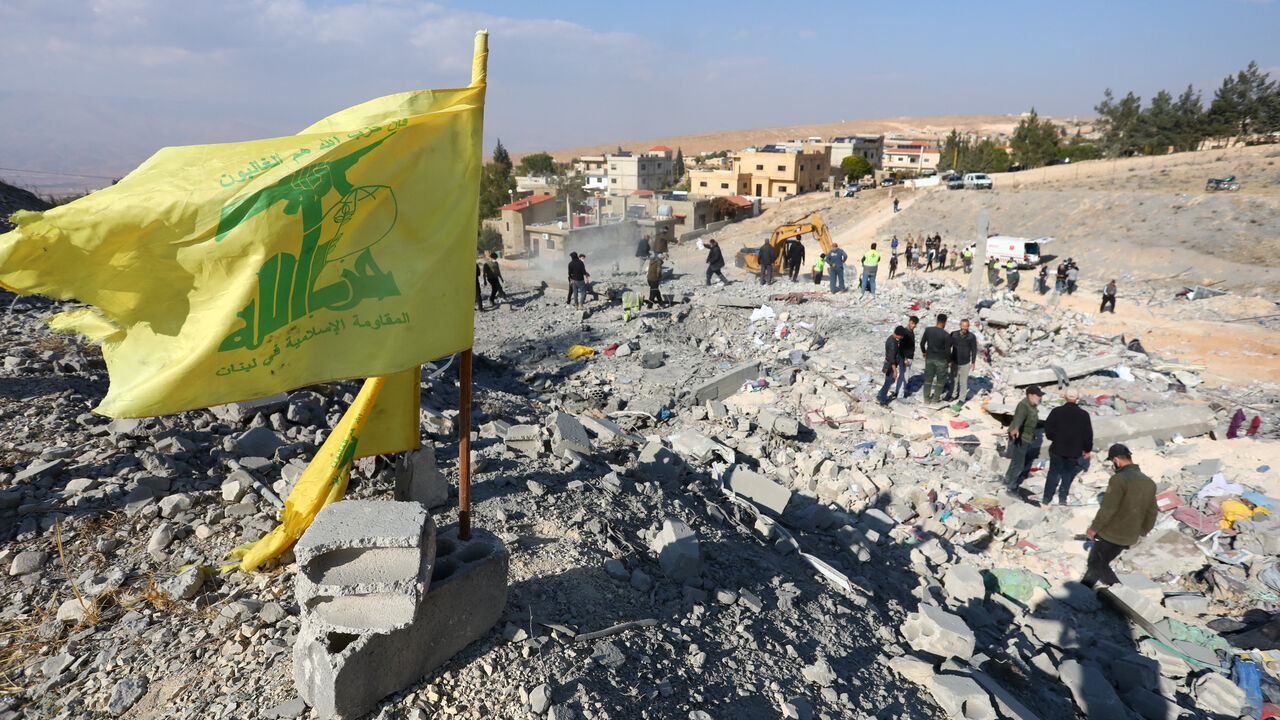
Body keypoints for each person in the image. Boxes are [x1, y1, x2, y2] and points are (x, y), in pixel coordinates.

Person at [1081, 444, 1157, 589]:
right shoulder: (1149, 482)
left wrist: (1094, 528)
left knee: (1097, 564)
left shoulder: (1119, 479)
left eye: (1112, 462)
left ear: (1116, 460)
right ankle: (1085, 589)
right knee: (1100, 564)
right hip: (1130, 534)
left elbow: (1108, 508)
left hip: (1111, 532)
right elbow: (1152, 511)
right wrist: (1143, 531)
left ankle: (1118, 592)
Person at [1042, 388, 1093, 506]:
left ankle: (1046, 498)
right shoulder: (1083, 415)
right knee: (1067, 473)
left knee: (1053, 472)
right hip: (1074, 450)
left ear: (1065, 397)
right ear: (1077, 398)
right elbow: (1088, 434)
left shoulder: (1056, 411)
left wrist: (1054, 438)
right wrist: (1087, 449)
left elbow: (1048, 428)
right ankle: (1062, 499)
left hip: (1057, 448)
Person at [1003, 385, 1044, 491]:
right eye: (1038, 395)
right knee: (1019, 465)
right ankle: (1011, 487)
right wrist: (1016, 428)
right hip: (1021, 437)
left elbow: (1029, 421)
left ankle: (1007, 480)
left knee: (1015, 461)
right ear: (1030, 395)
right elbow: (1018, 418)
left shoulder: (1032, 405)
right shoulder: (1024, 405)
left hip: (1026, 436)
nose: (1040, 398)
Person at [920, 314, 951, 403]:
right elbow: (948, 351)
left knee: (928, 379)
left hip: (929, 358)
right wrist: (949, 361)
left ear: (937, 320)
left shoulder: (928, 330)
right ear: (945, 322)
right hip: (941, 360)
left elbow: (922, 344)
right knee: (940, 380)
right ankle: (935, 399)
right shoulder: (946, 335)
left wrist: (924, 352)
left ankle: (926, 399)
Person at [948, 318, 978, 403]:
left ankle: (962, 399)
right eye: (963, 326)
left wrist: (973, 362)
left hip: (965, 363)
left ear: (968, 326)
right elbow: (948, 347)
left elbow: (974, 349)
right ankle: (953, 395)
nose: (965, 328)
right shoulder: (954, 334)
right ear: (960, 326)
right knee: (954, 380)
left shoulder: (971, 336)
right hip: (954, 361)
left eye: (966, 326)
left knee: (963, 382)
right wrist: (949, 360)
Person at [878, 327, 905, 406]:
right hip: (890, 366)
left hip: (888, 364)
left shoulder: (891, 338)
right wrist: (895, 370)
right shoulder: (893, 343)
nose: (902, 337)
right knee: (888, 383)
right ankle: (882, 402)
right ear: (898, 335)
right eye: (901, 336)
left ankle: (880, 396)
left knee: (888, 382)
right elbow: (892, 358)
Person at [896, 315, 918, 399]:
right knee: (904, 376)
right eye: (912, 323)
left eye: (915, 324)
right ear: (909, 321)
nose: (913, 325)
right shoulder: (906, 333)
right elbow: (902, 347)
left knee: (902, 375)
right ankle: (900, 396)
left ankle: (898, 392)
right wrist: (905, 358)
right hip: (906, 358)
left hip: (908, 357)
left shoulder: (910, 332)